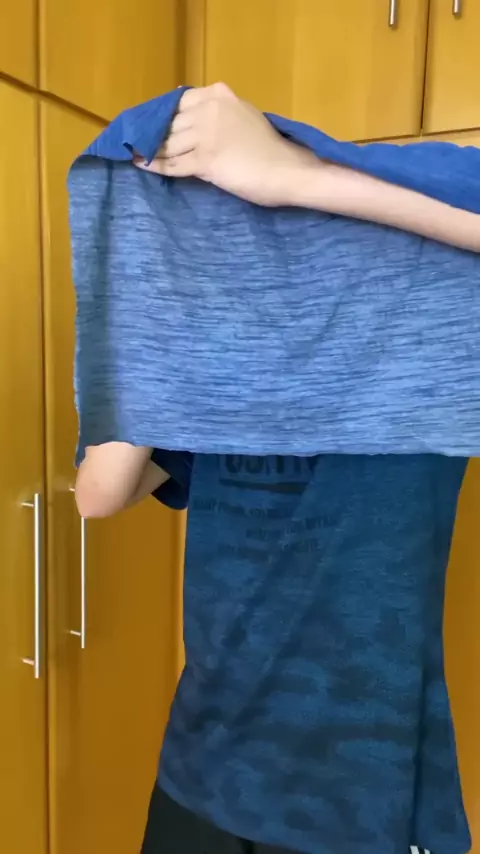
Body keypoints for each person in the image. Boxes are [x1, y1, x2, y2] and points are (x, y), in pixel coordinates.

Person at [75, 84, 476, 854]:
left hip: (364, 802)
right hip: (203, 773)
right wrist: (158, 306)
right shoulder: (223, 360)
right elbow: (100, 492)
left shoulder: (435, 304)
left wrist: (292, 175)